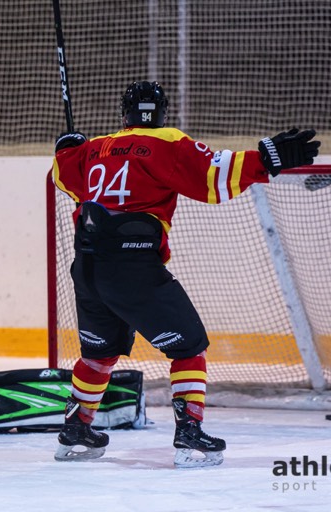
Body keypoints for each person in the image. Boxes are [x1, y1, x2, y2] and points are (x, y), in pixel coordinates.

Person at [52, 81, 320, 466]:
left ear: (124, 115)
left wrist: (67, 145)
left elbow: (65, 176)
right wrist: (268, 159)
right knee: (189, 346)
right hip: (135, 267)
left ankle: (76, 428)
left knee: (99, 353)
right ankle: (189, 434)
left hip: (88, 270)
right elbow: (214, 179)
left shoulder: (96, 147)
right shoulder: (167, 142)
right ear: (162, 113)